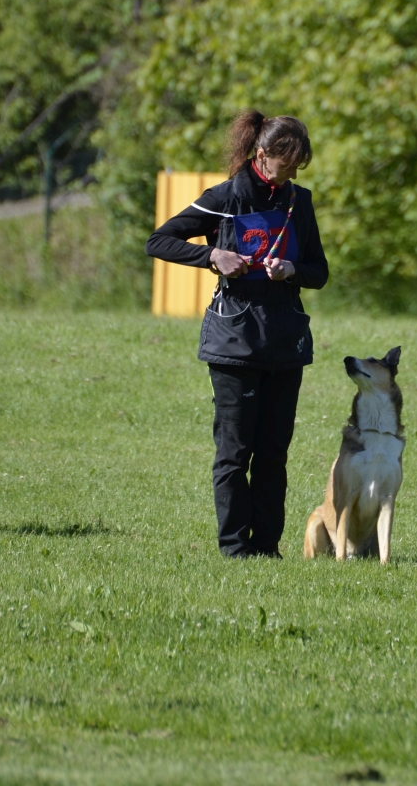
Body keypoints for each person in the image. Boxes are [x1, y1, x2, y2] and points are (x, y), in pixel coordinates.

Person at [145, 111, 328, 558]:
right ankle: (234, 549)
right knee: (234, 452)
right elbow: (159, 240)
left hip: (284, 341)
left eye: (299, 167)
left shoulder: (298, 203)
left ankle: (266, 549)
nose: (291, 174)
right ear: (262, 154)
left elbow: (319, 273)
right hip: (233, 342)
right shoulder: (224, 197)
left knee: (273, 454)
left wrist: (291, 271)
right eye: (286, 164)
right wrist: (212, 256)